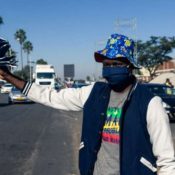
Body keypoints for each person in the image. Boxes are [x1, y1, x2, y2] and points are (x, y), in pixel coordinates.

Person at [0, 34, 175, 175]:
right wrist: (9, 77)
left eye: (116, 64)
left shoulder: (150, 103)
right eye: (106, 64)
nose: (110, 68)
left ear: (130, 66)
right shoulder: (93, 93)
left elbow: (167, 161)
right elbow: (50, 96)